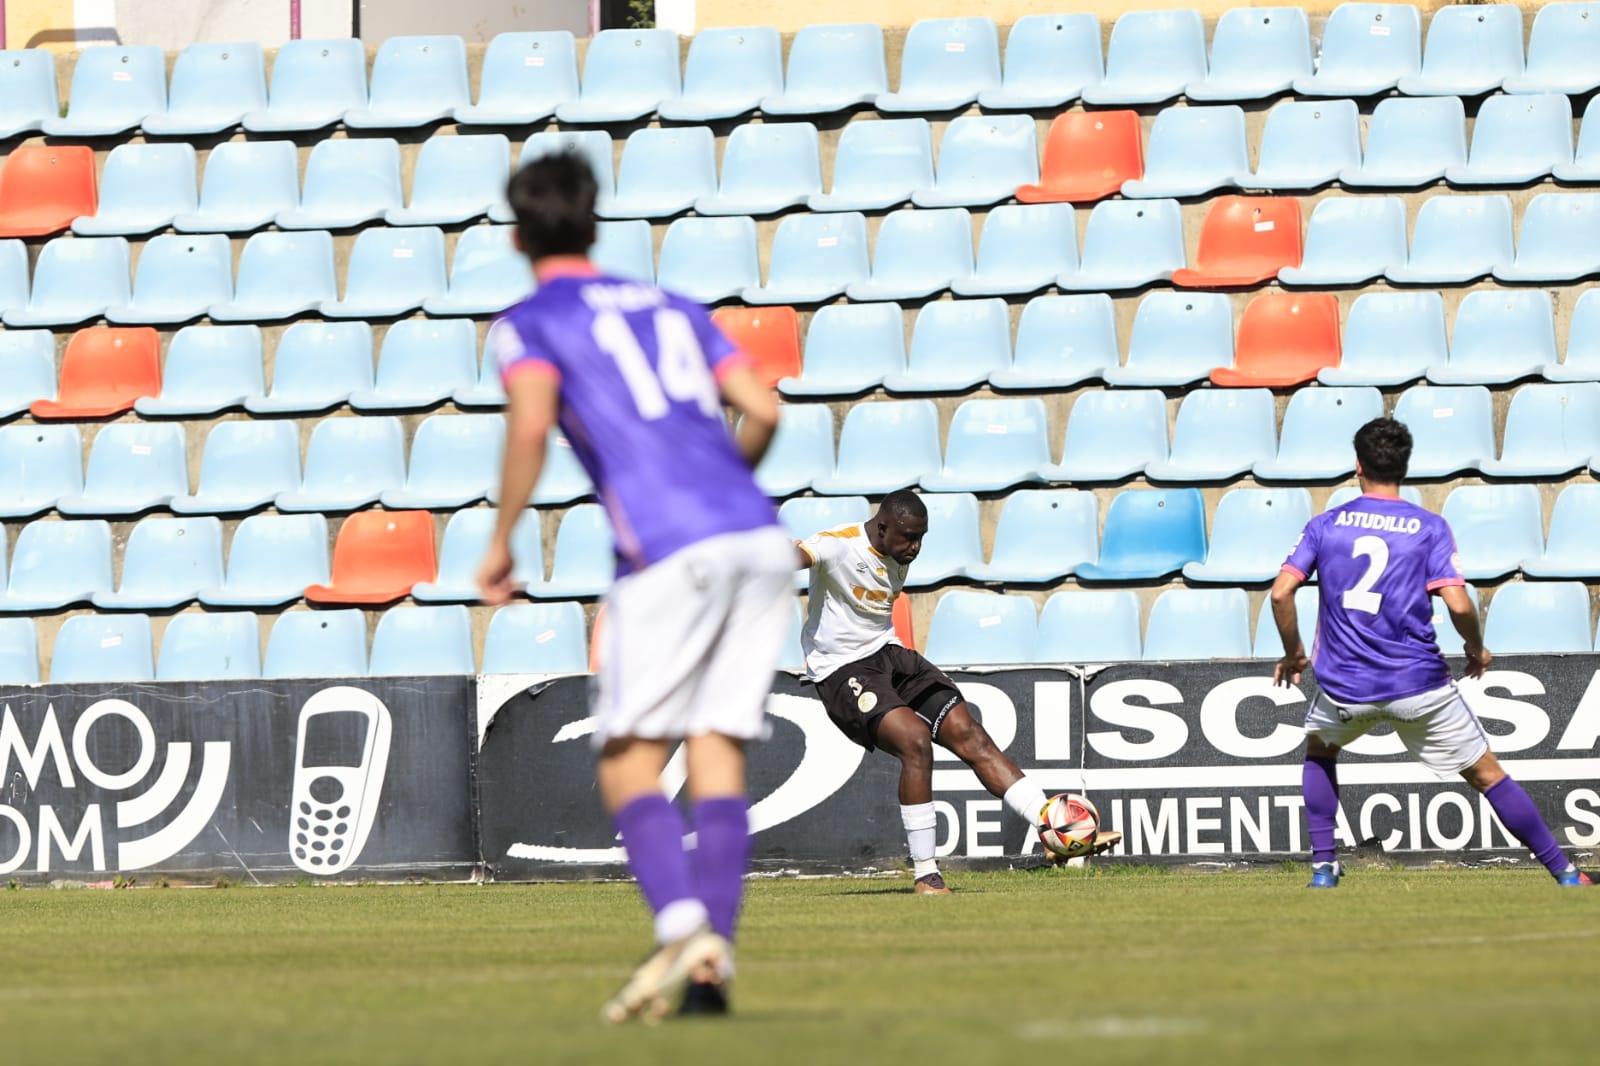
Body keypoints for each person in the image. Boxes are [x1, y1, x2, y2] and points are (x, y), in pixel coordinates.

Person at [477, 151, 797, 1021]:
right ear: (593, 222)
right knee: (718, 746)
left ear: (517, 235)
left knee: (626, 760)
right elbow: (764, 407)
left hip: (666, 550)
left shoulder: (526, 321)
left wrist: (501, 540)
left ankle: (687, 923)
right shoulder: (675, 307)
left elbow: (533, 423)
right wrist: (727, 487)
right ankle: (710, 968)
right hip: (760, 537)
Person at [1271, 417, 1593, 889]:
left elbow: (1281, 594)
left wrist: (1295, 653)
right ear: (1404, 466)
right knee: (1487, 774)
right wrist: (1476, 648)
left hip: (1345, 686)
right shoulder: (1429, 527)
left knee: (1320, 752)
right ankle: (1564, 873)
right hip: (1417, 684)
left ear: (1357, 465)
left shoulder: (1325, 525)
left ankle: (1324, 868)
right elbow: (1458, 602)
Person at [795, 490, 1119, 894]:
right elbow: (796, 556)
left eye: (921, 538)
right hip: (842, 670)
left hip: (889, 654)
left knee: (969, 733)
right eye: (909, 537)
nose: (915, 547)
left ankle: (1051, 827)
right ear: (882, 527)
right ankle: (926, 873)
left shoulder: (896, 550)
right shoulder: (838, 546)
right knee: (915, 742)